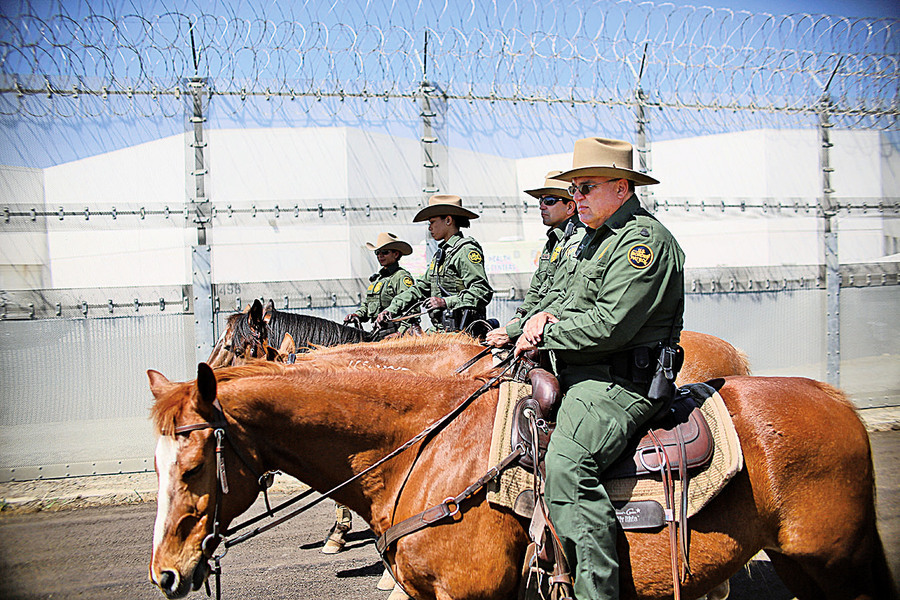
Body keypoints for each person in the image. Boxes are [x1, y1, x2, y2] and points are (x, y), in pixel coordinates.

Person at [514, 137, 685, 599]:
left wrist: (543, 333)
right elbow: (567, 304)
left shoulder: (644, 243)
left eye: (586, 187)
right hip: (577, 371)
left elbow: (611, 326)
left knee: (567, 466)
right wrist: (538, 321)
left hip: (617, 383)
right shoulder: (593, 241)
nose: (577, 198)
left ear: (622, 188)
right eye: (574, 189)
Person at [485, 171, 583, 347]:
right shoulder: (553, 241)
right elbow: (536, 290)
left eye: (549, 201)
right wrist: (518, 318)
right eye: (541, 201)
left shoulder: (576, 240)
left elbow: (557, 295)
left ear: (570, 207)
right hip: (537, 324)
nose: (542, 206)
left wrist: (514, 330)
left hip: (557, 331)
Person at [376, 194, 493, 334]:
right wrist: (392, 308)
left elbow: (482, 292)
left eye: (432, 222)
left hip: (463, 334)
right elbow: (420, 288)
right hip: (440, 330)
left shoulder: (465, 250)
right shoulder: (442, 254)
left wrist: (445, 302)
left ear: (448, 220)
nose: (429, 228)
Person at [344, 232, 416, 339]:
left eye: (385, 252)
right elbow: (368, 305)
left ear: (396, 254)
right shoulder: (378, 279)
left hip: (396, 335)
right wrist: (357, 315)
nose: (380, 256)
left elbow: (412, 309)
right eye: (377, 252)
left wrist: (400, 333)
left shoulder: (401, 277)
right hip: (379, 333)